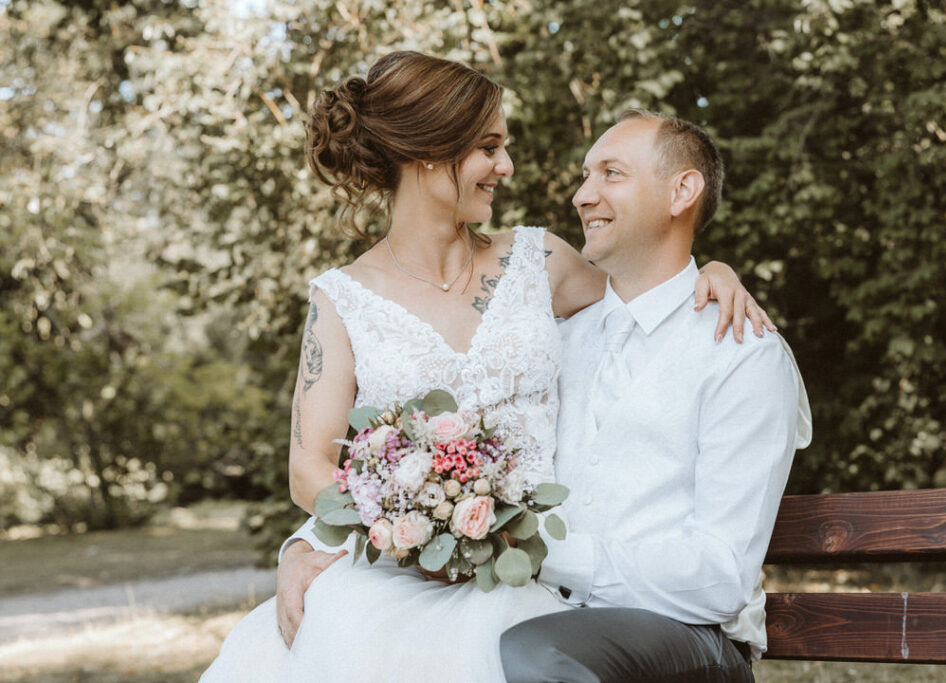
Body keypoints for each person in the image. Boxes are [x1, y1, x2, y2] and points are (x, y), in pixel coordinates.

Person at [201, 52, 769, 682]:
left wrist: (715, 272)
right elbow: (309, 470)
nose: (507, 166)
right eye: (489, 148)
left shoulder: (539, 260)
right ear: (426, 153)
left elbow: (642, 295)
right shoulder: (341, 299)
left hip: (526, 574)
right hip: (402, 566)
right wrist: (401, 529)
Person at [499, 110, 813, 682]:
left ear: (682, 191)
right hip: (547, 614)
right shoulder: (559, 343)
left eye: (610, 174)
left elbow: (719, 578)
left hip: (691, 642)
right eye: (585, 175)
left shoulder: (742, 352)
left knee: (530, 653)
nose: (581, 195)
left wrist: (543, 556)